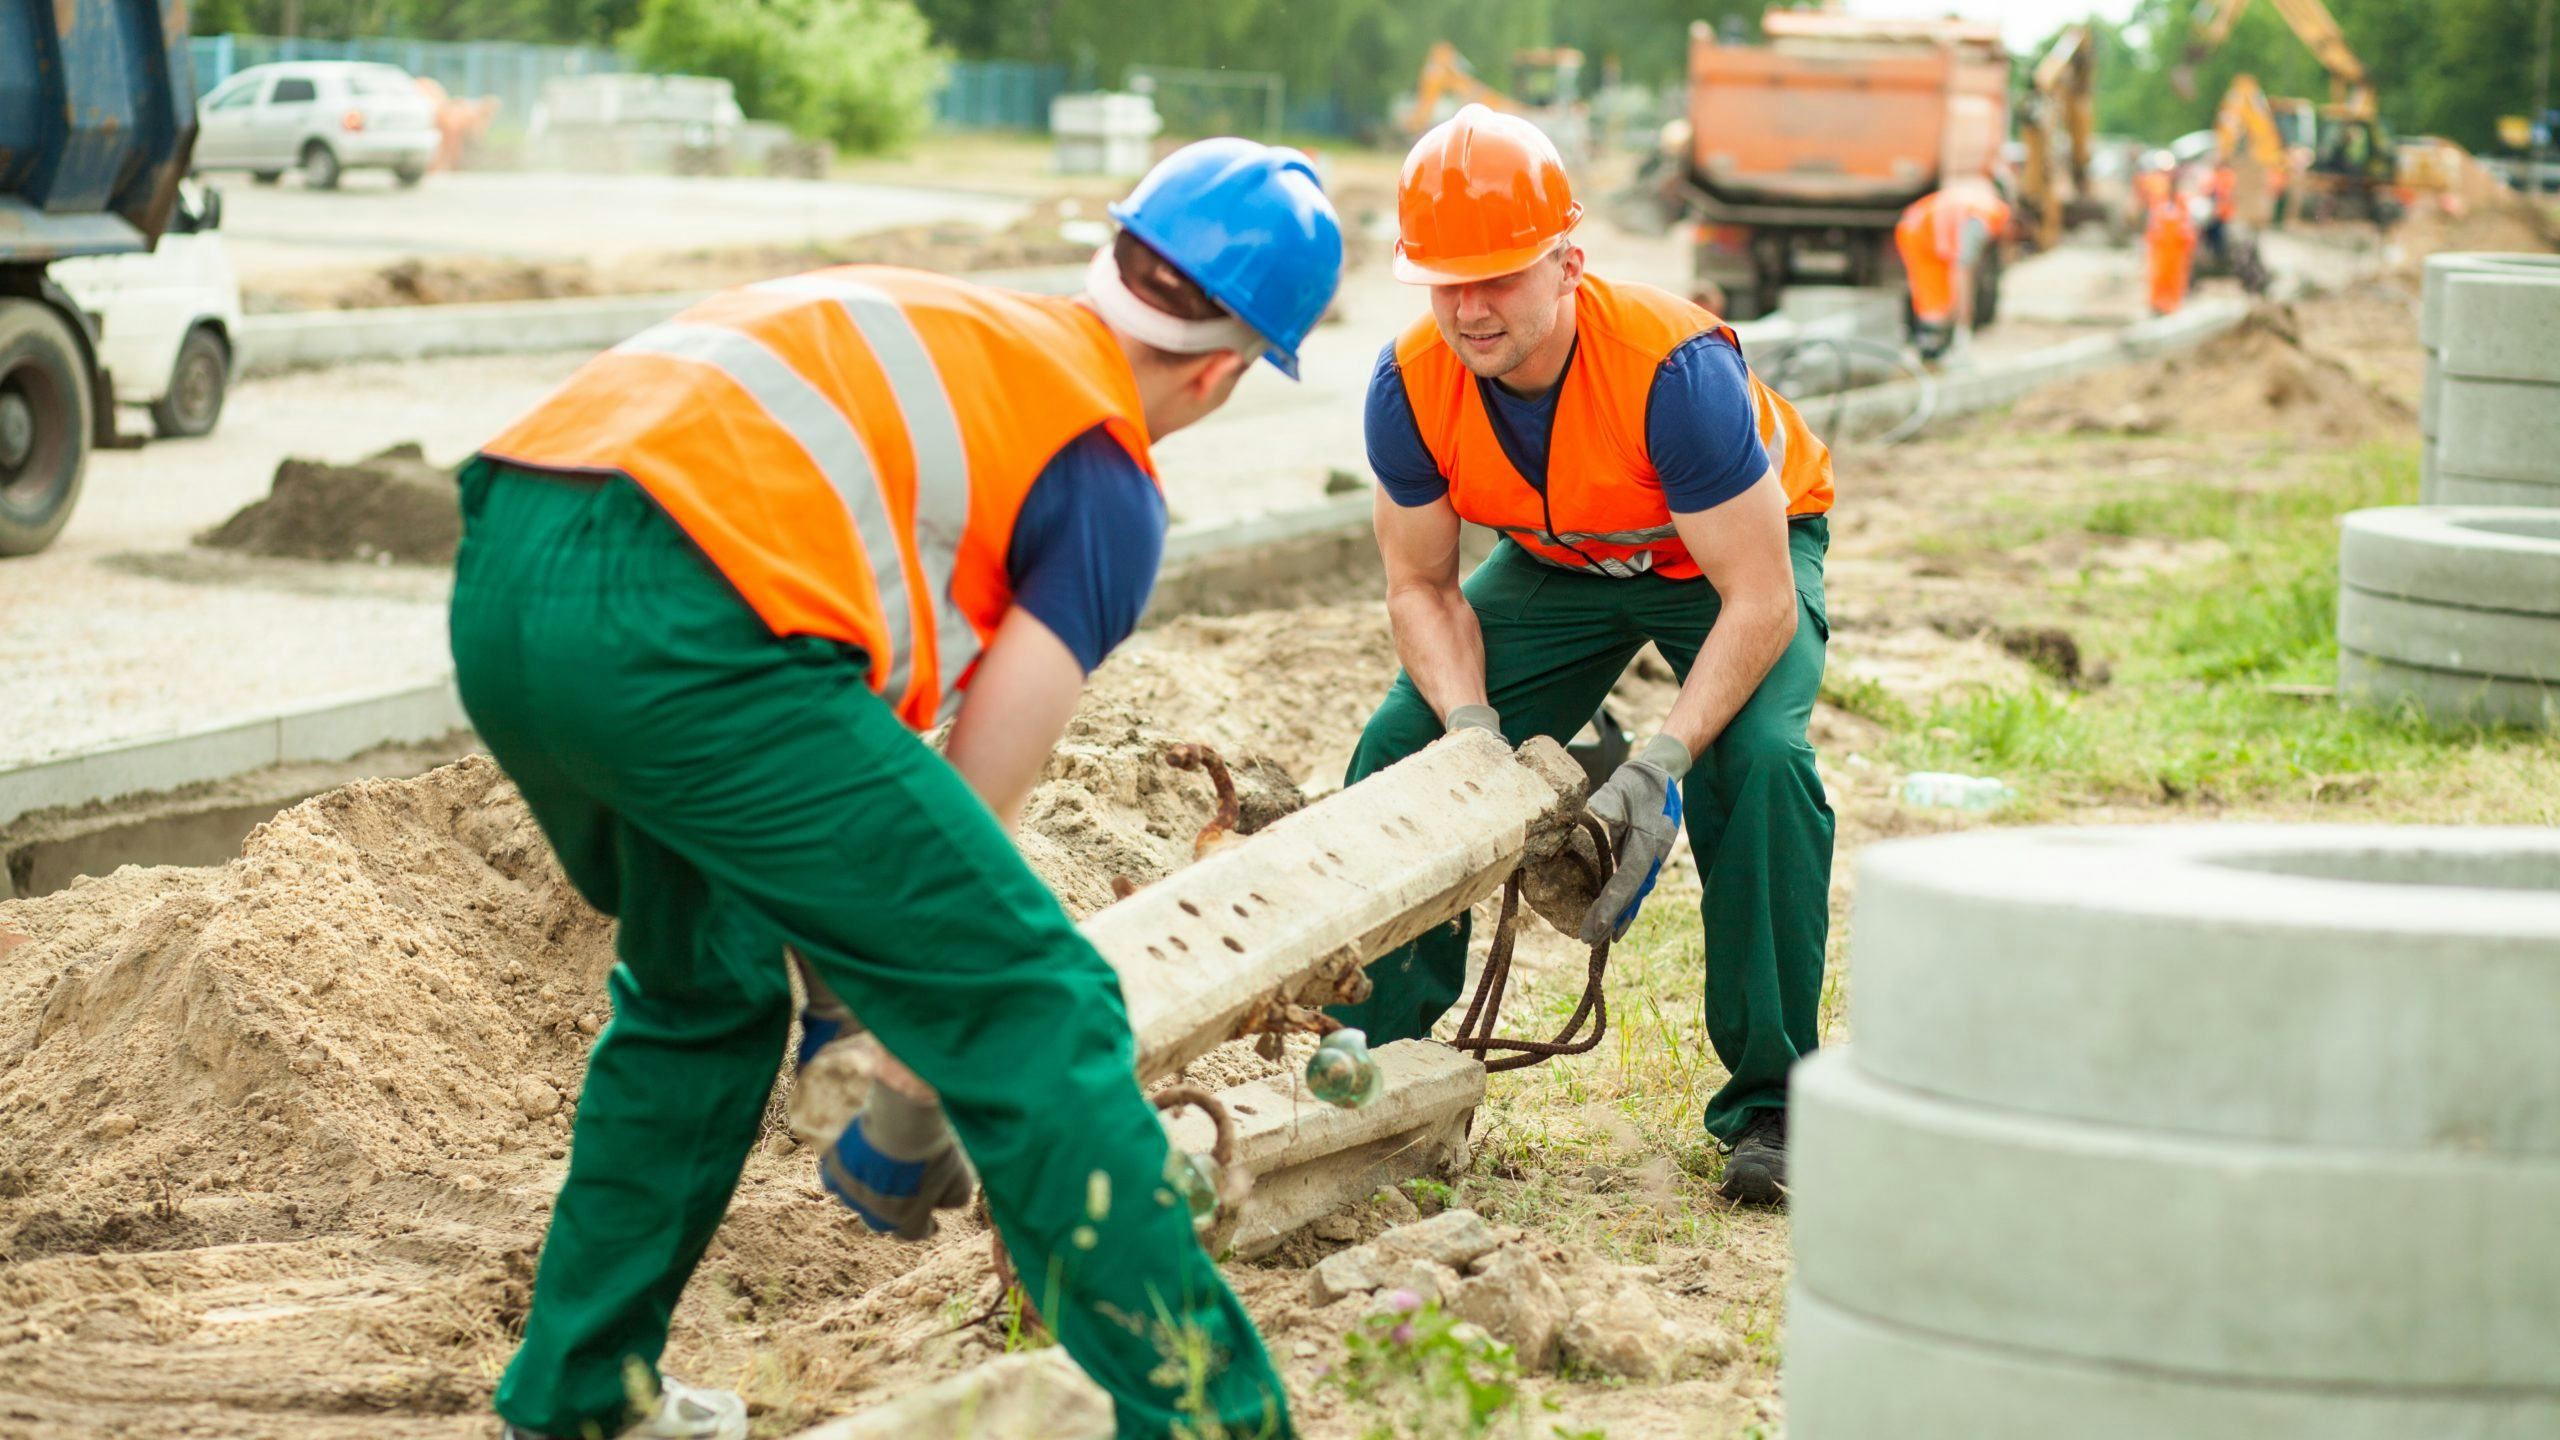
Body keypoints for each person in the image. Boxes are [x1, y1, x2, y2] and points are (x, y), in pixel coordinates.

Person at [448, 138, 1342, 1440]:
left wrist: (844, 995)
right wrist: (918, 1083)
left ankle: (580, 1400)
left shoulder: (970, 331)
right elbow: (979, 809)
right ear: (1223, 368)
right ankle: (1221, 1424)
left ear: (1111, 262)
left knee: (702, 991)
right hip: (690, 629)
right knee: (1038, 1006)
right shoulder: (1102, 477)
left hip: (508, 574)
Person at [1330, 105, 1836, 1207]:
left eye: (1500, 276)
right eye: (1444, 279)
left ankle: (1774, 1102)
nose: (1469, 308)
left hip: (1725, 562)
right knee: (1400, 742)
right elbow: (1418, 585)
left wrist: (1657, 761)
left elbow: (1757, 599)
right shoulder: (1408, 383)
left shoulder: (1671, 370)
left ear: (1568, 261)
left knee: (1761, 763)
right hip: (1563, 558)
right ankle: (1363, 1056)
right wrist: (1468, 733)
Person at [1894, 180, 2012, 361]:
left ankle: (1933, 349)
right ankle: (1929, 352)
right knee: (1933, 302)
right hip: (1918, 234)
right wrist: (1964, 325)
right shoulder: (1983, 221)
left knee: (1941, 299)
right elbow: (1962, 271)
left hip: (1924, 230)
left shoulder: (1987, 208)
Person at [2147, 190, 2200, 315]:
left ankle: (2172, 304)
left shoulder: (2183, 213)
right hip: (2162, 252)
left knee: (2175, 279)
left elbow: (2189, 235)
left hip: (2176, 252)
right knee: (2160, 277)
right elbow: (2152, 233)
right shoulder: (2159, 211)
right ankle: (2158, 304)